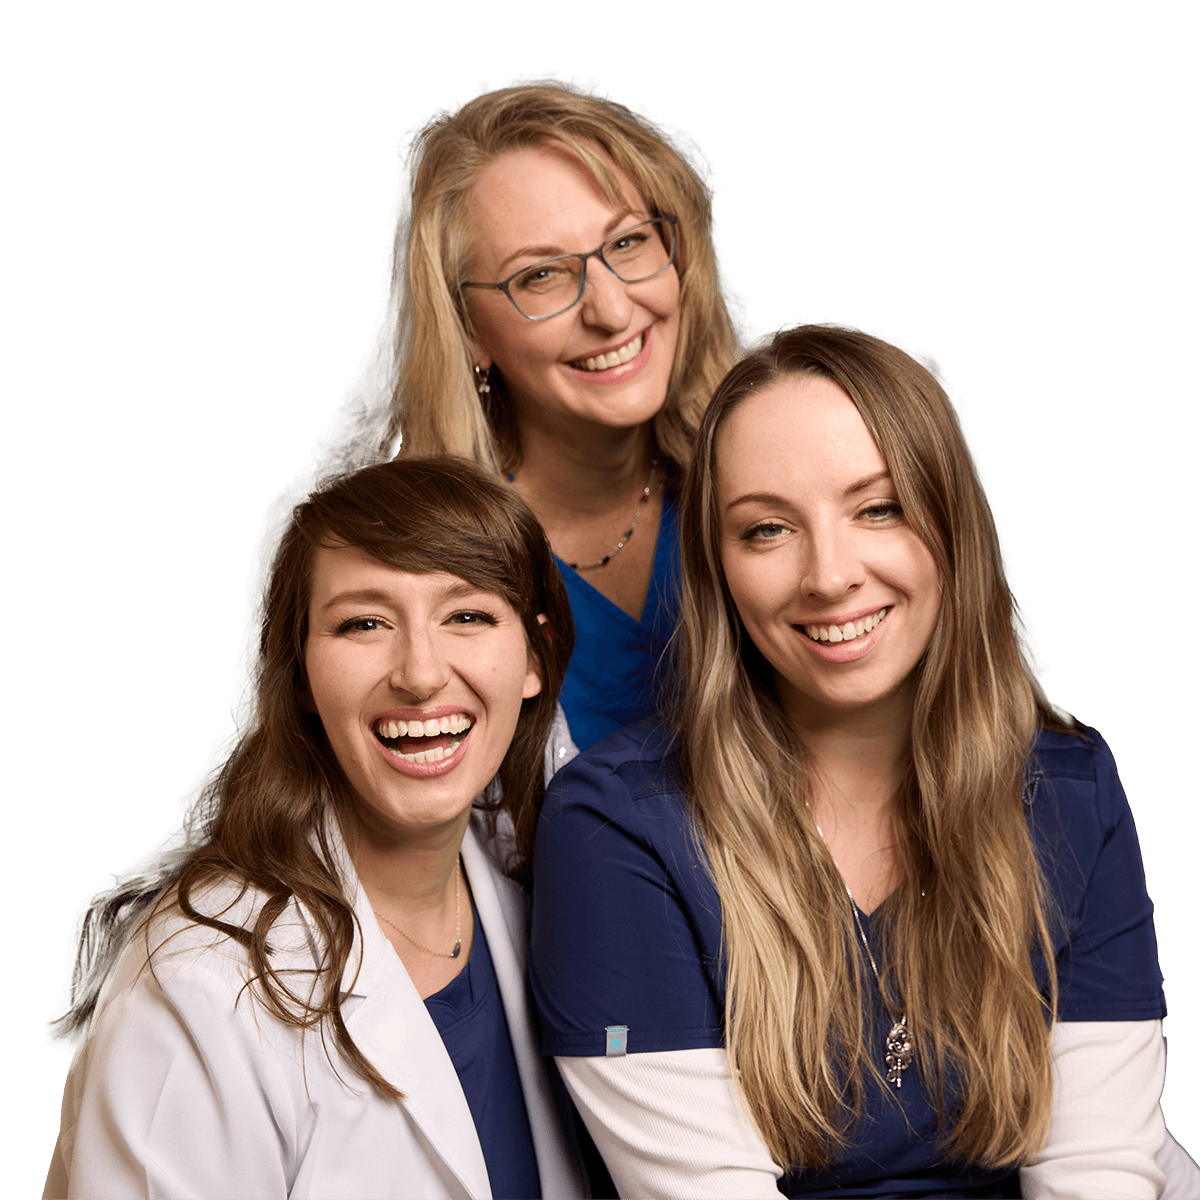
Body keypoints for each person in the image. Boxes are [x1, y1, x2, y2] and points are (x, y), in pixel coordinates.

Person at [530, 325, 1199, 1198]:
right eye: (767, 529)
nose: (830, 575)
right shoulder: (617, 827)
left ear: (951, 523)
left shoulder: (1070, 788)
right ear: (718, 568)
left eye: (877, 508)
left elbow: (1099, 1173)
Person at [44, 458, 586, 1200]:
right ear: (300, 673)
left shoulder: (544, 910)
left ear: (536, 656)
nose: (421, 674)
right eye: (364, 622)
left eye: (468, 615)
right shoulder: (199, 989)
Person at [384, 81, 743, 752]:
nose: (610, 311)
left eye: (630, 243)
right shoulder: (415, 566)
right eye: (541, 276)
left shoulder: (760, 491)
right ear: (469, 331)